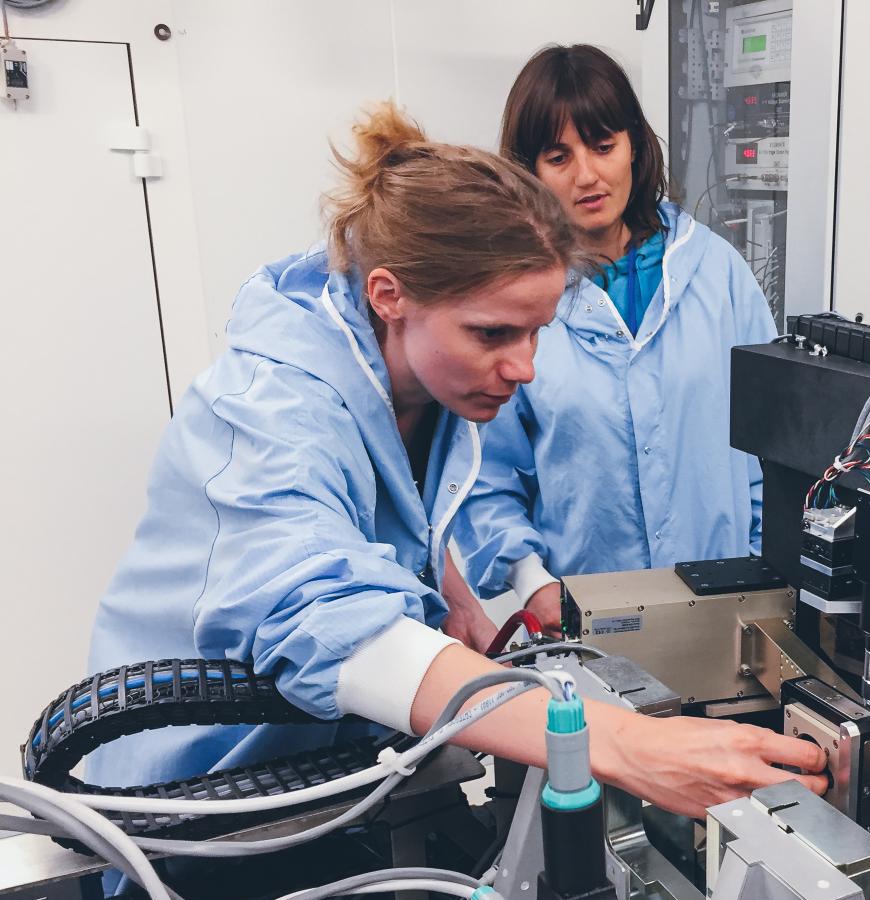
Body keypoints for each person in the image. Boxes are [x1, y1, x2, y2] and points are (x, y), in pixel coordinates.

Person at [83, 103, 824, 819]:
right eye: (494, 333)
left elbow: (382, 503)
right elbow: (321, 615)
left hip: (333, 775)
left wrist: (451, 592)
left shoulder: (427, 382)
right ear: (389, 294)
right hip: (195, 800)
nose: (524, 367)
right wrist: (629, 745)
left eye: (537, 331)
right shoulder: (267, 409)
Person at [450, 45, 773, 633]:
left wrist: (760, 566)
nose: (587, 176)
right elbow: (482, 476)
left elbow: (771, 448)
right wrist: (534, 584)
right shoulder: (511, 305)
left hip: (729, 615)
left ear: (634, 145)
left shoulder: (718, 273)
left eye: (603, 146)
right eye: (558, 156)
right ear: (529, 171)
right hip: (583, 626)